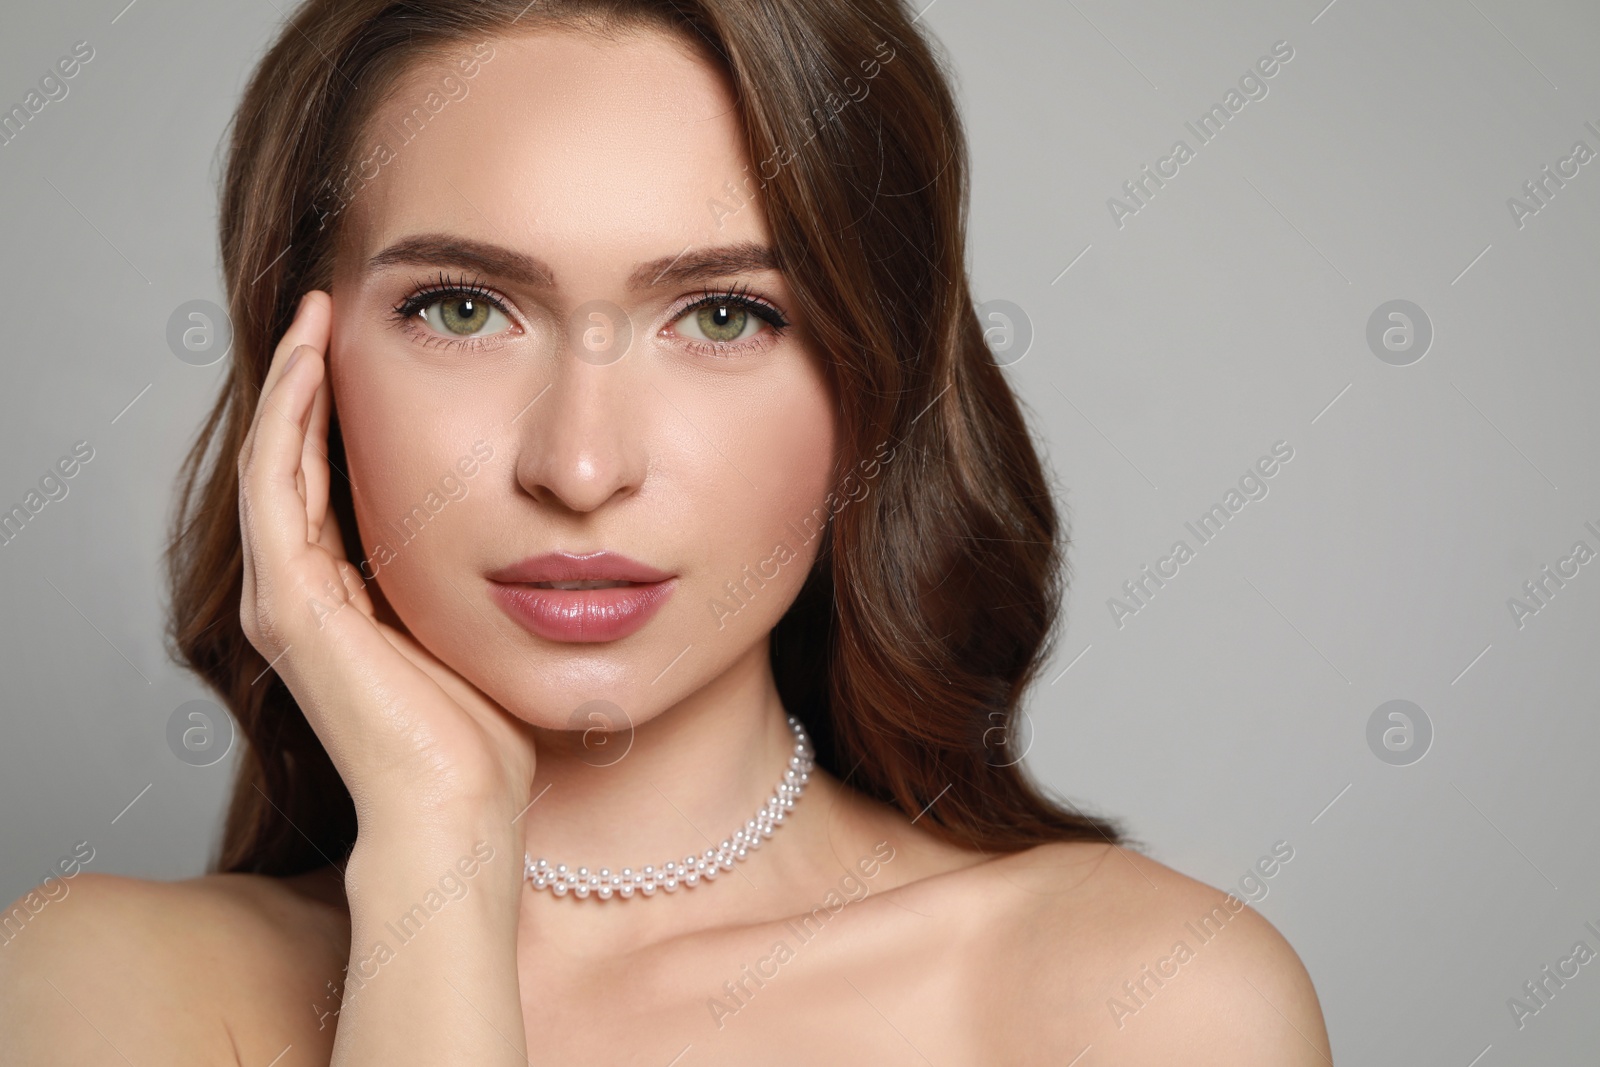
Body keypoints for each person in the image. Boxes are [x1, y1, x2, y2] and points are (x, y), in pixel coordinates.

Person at [0, 1, 1332, 1062]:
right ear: (307, 370)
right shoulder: (106, 992)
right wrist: (441, 855)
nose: (582, 466)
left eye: (722, 316)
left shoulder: (1144, 1006)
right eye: (464, 308)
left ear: (873, 387)